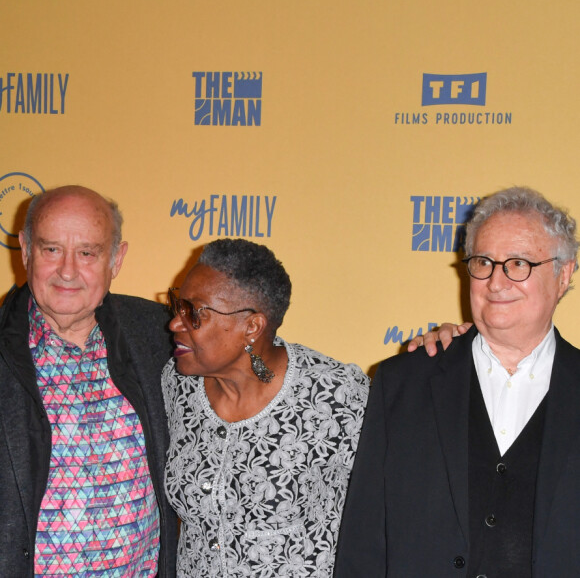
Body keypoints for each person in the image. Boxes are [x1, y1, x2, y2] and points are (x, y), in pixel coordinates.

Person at [335, 186, 580, 578]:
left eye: (518, 264)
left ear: (563, 274)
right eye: (483, 262)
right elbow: (364, 543)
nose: (496, 282)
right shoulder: (403, 382)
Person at [161, 238, 369, 577]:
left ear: (252, 327)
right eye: (176, 305)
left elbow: (400, 508)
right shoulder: (176, 384)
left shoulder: (336, 395)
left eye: (193, 312)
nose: (174, 323)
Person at [0, 186, 177, 576]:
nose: (67, 271)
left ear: (116, 259)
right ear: (26, 249)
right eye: (50, 249)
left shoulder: (161, 334)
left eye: (87, 253)